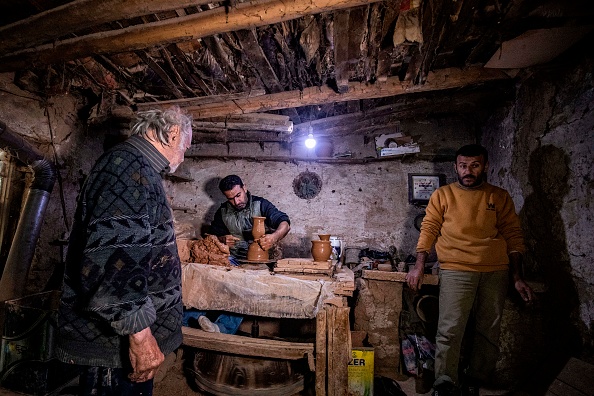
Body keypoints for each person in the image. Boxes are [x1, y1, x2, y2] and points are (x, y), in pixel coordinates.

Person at [55, 106, 193, 395]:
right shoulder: (127, 167)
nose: (183, 156)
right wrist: (140, 337)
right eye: (186, 147)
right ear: (173, 133)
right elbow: (115, 260)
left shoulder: (137, 167)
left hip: (123, 339)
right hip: (115, 347)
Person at [406, 144, 535, 396]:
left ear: (485, 166)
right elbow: (429, 229)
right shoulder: (443, 195)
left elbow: (513, 235)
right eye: (463, 166)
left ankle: (477, 378)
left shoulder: (498, 196)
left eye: (475, 165)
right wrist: (418, 266)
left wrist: (517, 277)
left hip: (495, 271)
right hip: (456, 269)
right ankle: (445, 382)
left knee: (489, 329)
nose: (468, 171)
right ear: (456, 167)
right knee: (450, 327)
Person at [185, 174, 291, 334]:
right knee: (205, 274)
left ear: (244, 188)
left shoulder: (261, 204)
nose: (236, 202)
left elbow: (285, 223)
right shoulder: (223, 211)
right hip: (233, 259)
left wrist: (274, 237)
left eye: (238, 195)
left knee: (243, 284)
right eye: (231, 199)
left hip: (258, 262)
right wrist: (222, 238)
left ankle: (222, 327)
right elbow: (212, 237)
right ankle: (191, 320)